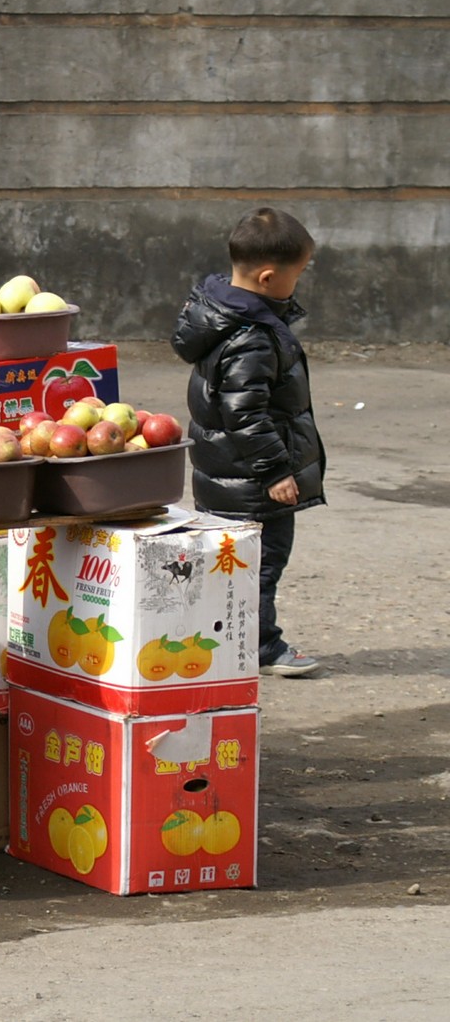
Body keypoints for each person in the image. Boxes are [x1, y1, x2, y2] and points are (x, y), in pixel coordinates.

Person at [171, 207, 327, 678]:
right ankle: (260, 647)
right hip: (253, 483)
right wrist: (277, 471)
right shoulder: (253, 337)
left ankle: (224, 641)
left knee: (235, 565)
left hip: (227, 474)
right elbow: (245, 413)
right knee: (259, 566)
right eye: (297, 275)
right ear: (266, 276)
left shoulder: (223, 313)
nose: (298, 284)